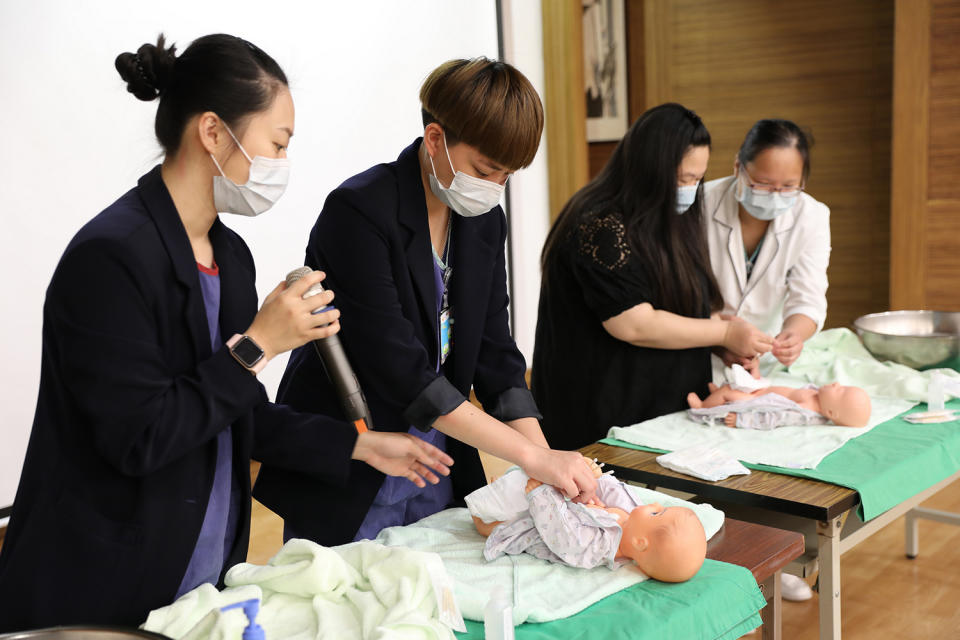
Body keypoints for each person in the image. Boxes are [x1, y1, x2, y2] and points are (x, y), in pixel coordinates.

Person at [0, 34, 452, 631]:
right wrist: (259, 344)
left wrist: (356, 445)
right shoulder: (110, 259)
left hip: (202, 574)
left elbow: (235, 416)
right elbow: (142, 436)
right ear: (213, 132)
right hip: (105, 584)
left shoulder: (229, 256)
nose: (280, 165)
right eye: (276, 144)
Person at [253, 58, 598, 547]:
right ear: (436, 139)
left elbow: (496, 356)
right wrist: (533, 460)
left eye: (507, 176)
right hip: (355, 447)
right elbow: (400, 371)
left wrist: (547, 460)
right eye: (485, 170)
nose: (495, 188)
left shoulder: (481, 222)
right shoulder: (360, 212)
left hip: (437, 455)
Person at [533, 103, 774, 451]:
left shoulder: (662, 217)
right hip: (598, 416)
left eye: (697, 179)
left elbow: (667, 303)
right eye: (681, 179)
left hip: (655, 409)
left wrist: (718, 339)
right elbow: (634, 323)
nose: (690, 189)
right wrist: (722, 331)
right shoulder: (599, 224)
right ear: (649, 169)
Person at [703, 119, 830, 380]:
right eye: (762, 184)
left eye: (788, 187)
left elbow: (808, 296)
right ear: (738, 166)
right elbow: (680, 291)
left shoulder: (812, 216)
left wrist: (793, 336)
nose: (774, 195)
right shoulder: (700, 206)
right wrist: (720, 338)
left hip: (765, 355)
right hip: (702, 346)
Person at [469, 467, 707, 582]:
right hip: (564, 506)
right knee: (517, 480)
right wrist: (596, 477)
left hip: (541, 525)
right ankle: (498, 492)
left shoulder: (596, 548)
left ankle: (482, 520)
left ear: (640, 543)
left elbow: (562, 532)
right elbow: (615, 494)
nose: (654, 503)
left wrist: (543, 496)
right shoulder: (630, 520)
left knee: (503, 525)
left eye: (657, 513)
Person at [687, 382, 872, 428]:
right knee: (740, 381)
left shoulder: (805, 412)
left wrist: (742, 420)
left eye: (840, 391)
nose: (837, 384)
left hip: (757, 402)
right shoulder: (816, 394)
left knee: (729, 392)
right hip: (763, 390)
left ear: (830, 411)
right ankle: (715, 394)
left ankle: (703, 406)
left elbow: (773, 418)